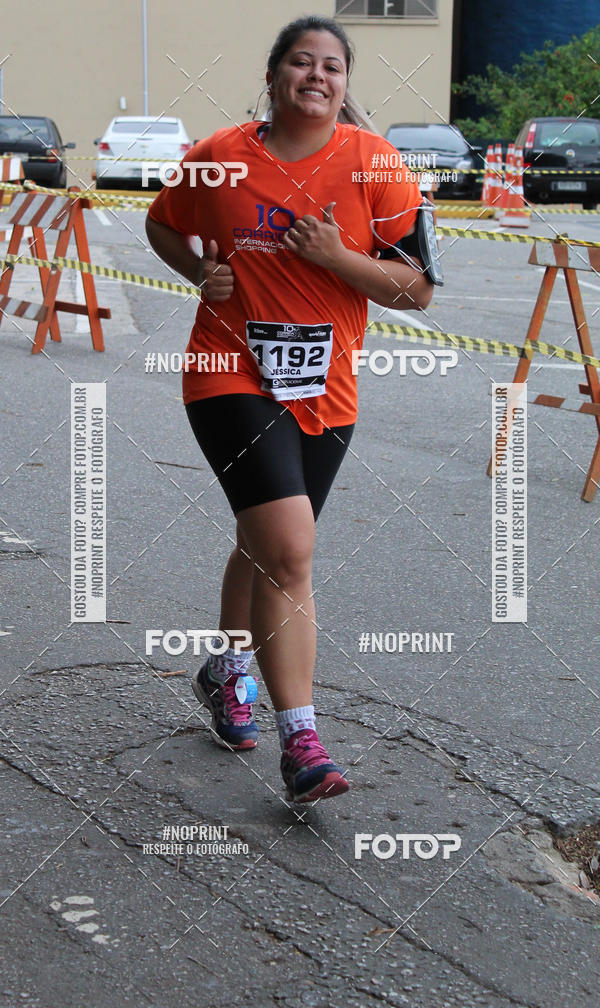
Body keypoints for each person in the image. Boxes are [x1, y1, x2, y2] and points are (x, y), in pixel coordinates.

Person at [145, 15, 433, 804]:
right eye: (300, 63)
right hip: (227, 371)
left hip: (327, 388)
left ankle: (227, 668)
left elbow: (418, 290)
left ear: (346, 82)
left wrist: (339, 258)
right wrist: (199, 272)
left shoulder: (378, 165)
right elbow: (162, 224)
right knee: (292, 547)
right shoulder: (219, 157)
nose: (317, 76)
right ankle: (301, 738)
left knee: (267, 542)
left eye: (332, 66)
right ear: (272, 77)